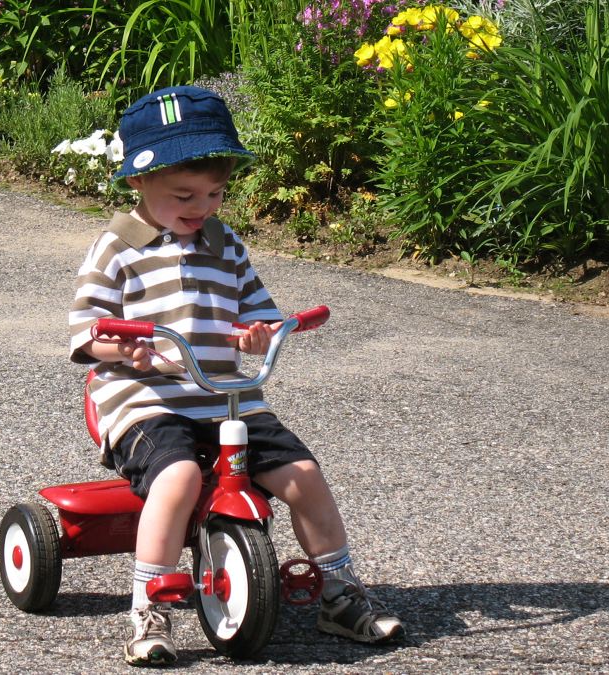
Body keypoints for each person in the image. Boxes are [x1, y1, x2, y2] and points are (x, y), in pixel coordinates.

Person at [69, 85, 403, 667]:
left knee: (303, 474)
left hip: (226, 398)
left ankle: (339, 591)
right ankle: (150, 607)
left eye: (215, 193)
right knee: (176, 480)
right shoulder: (118, 247)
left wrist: (262, 332)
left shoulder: (226, 245)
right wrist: (117, 345)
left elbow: (260, 312)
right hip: (146, 397)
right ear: (137, 183)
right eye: (184, 194)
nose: (201, 206)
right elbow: (86, 326)